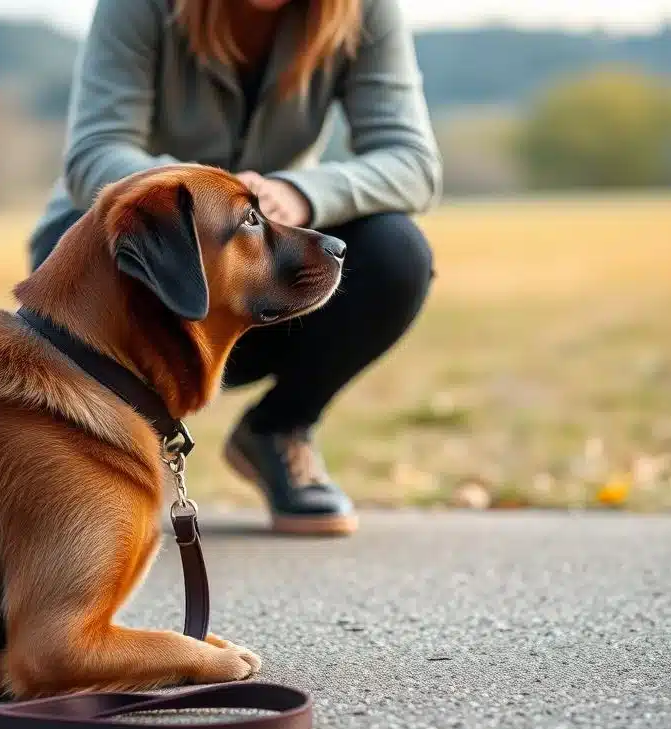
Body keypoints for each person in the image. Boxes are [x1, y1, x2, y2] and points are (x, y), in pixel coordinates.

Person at [28, 0, 442, 535]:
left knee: (395, 253)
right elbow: (94, 152)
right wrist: (210, 203)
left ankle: (279, 430)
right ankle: (88, 464)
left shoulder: (365, 10)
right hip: (133, 272)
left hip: (262, 261)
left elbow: (414, 162)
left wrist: (299, 193)